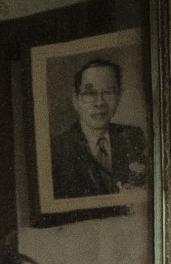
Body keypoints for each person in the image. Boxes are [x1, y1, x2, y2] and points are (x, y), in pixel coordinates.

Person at [49, 57, 149, 200]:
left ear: (119, 96)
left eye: (108, 92)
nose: (100, 103)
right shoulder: (58, 150)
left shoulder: (133, 136)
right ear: (75, 100)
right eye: (89, 93)